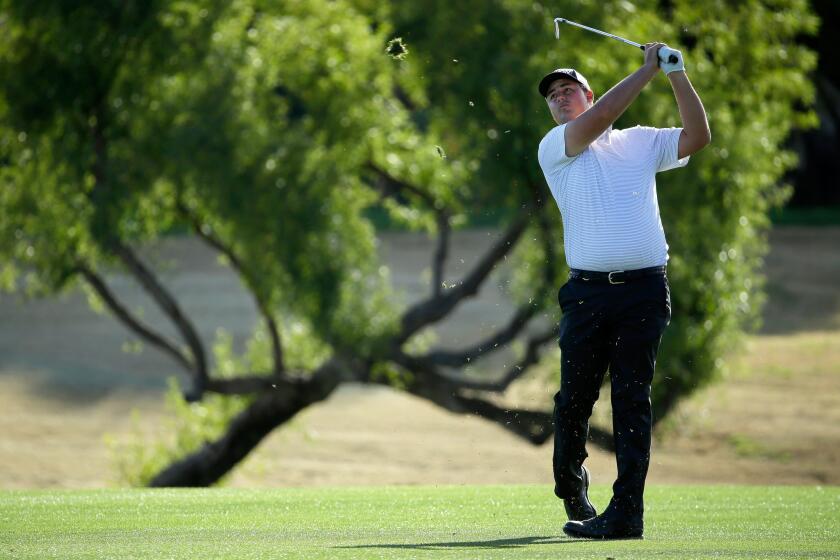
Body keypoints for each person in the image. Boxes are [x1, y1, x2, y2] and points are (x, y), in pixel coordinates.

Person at [536, 43, 710, 539]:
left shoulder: (640, 142)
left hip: (644, 292)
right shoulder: (557, 145)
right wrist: (647, 70)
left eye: (569, 90)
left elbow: (698, 137)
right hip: (587, 295)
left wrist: (677, 75)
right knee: (575, 400)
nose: (560, 99)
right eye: (553, 96)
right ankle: (572, 487)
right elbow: (608, 113)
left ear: (587, 95)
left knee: (632, 401)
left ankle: (627, 513)